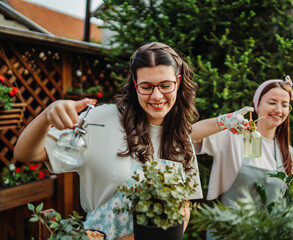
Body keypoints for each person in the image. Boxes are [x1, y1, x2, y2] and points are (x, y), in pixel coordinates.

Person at [14, 42, 203, 240]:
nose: (156, 96)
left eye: (165, 85)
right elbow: (25, 154)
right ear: (134, 85)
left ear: (178, 82)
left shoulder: (180, 137)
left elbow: (184, 208)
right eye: (146, 87)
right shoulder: (99, 121)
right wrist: (46, 116)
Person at [191, 76, 293, 239]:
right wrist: (223, 121)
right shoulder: (232, 137)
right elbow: (190, 135)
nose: (279, 110)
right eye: (272, 102)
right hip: (226, 235)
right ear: (257, 105)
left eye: (285, 105)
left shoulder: (287, 153)